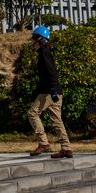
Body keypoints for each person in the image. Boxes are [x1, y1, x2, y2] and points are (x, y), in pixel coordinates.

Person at [26, 25, 72, 158]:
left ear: (40, 39)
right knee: (57, 121)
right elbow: (45, 77)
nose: (32, 42)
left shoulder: (44, 53)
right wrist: (36, 93)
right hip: (55, 91)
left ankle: (43, 143)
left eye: (33, 39)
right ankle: (66, 148)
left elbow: (52, 73)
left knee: (32, 113)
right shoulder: (46, 52)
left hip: (49, 92)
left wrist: (52, 89)